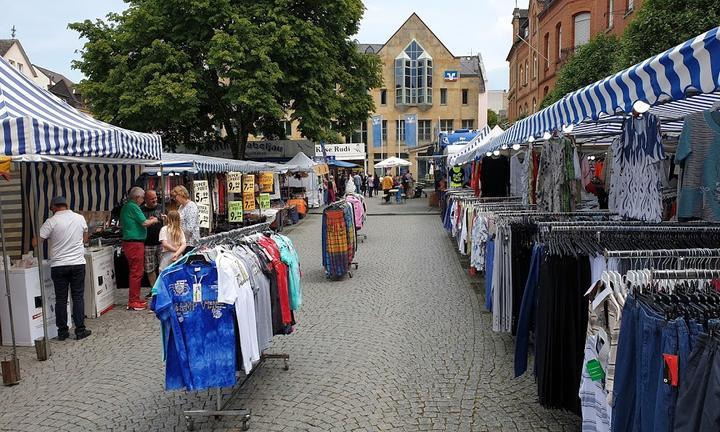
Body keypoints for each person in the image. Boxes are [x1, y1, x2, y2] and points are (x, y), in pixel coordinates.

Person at [34, 196, 91, 340]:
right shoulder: (80, 218)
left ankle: (62, 332)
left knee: (60, 299)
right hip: (77, 263)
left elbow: (35, 242)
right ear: (66, 205)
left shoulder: (51, 222)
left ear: (53, 207)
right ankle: (80, 330)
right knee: (77, 297)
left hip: (58, 265)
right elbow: (85, 238)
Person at [121, 187, 160, 310]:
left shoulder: (127, 206)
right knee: (136, 272)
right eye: (143, 197)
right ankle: (133, 301)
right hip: (134, 243)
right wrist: (154, 220)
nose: (143, 200)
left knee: (136, 271)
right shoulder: (133, 207)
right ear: (137, 197)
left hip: (132, 243)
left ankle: (135, 298)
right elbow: (144, 223)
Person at [141, 190, 163, 295]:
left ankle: (163, 288)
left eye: (155, 197)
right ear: (146, 200)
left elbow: (168, 222)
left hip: (162, 242)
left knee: (163, 266)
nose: (155, 200)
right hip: (147, 243)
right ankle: (154, 290)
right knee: (150, 268)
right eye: (152, 198)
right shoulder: (141, 210)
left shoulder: (161, 207)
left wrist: (159, 219)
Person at [170, 185, 200, 250]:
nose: (174, 199)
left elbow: (190, 228)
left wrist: (177, 232)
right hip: (183, 242)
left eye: (175, 197)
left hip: (190, 243)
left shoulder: (191, 206)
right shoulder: (181, 206)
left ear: (181, 194)